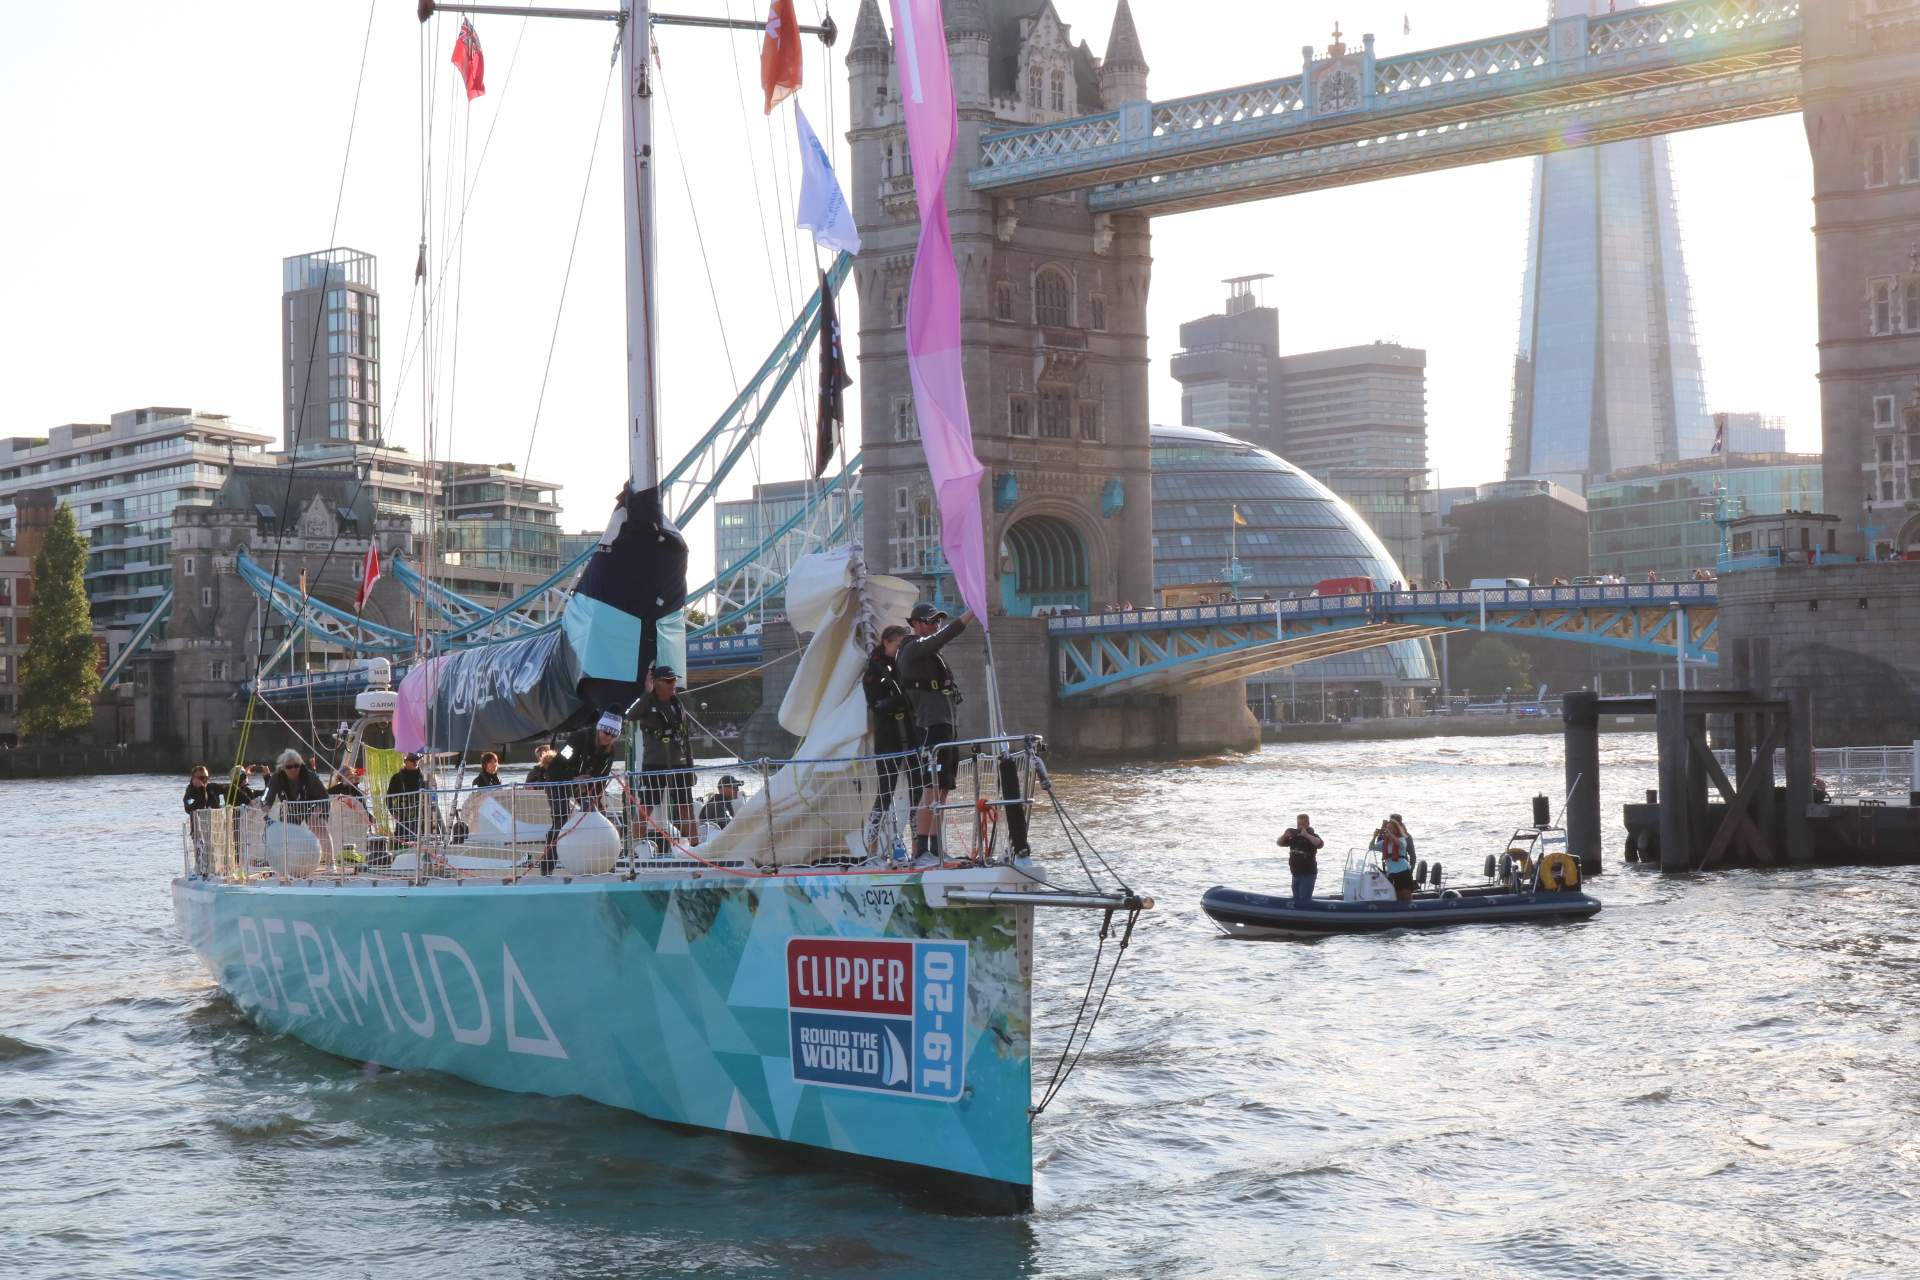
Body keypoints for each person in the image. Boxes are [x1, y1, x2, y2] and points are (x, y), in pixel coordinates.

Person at [897, 602, 975, 858]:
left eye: (938, 620)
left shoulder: (928, 651)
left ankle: (936, 848)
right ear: (915, 624)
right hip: (931, 726)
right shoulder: (911, 648)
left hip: (946, 723)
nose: (935, 625)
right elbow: (943, 637)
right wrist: (971, 613)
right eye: (930, 621)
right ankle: (921, 851)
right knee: (930, 787)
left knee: (943, 787)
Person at [862, 623, 923, 852]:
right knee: (884, 794)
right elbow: (877, 706)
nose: (901, 651)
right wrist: (904, 699)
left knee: (918, 791)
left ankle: (918, 846)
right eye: (898, 645)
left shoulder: (906, 666)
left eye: (904, 646)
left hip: (911, 737)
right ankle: (872, 846)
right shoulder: (873, 672)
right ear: (886, 643)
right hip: (888, 740)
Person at [545, 713, 625, 870]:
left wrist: (594, 797)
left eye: (613, 735)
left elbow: (602, 778)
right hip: (559, 779)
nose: (609, 738)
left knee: (600, 818)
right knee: (560, 819)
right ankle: (547, 867)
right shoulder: (578, 739)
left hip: (586, 783)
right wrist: (573, 779)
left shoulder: (609, 751)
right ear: (599, 729)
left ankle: (607, 865)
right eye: (606, 733)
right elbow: (555, 768)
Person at [633, 666, 698, 845]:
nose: (673, 684)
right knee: (645, 808)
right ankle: (634, 850)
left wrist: (690, 768)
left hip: (679, 764)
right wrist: (646, 693)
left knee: (686, 806)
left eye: (674, 681)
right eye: (669, 681)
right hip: (653, 764)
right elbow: (631, 714)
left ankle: (696, 848)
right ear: (657, 684)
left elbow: (686, 738)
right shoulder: (647, 703)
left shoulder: (678, 705)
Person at [1277, 813, 1323, 906]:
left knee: (1303, 901)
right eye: (1298, 824)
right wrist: (1285, 835)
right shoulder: (1294, 837)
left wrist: (1306, 835)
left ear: (1308, 824)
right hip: (1296, 874)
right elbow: (1279, 843)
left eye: (1302, 824)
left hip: (1307, 874)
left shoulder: (1312, 836)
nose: (1300, 827)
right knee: (1296, 899)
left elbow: (1320, 844)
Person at [386, 751, 430, 846]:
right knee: (401, 842)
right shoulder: (397, 778)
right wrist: (394, 814)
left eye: (417, 759)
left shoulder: (423, 777)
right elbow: (389, 798)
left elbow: (430, 796)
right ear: (405, 762)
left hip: (421, 816)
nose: (415, 762)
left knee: (422, 840)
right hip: (404, 817)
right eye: (412, 760)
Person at [1375, 817, 1415, 901]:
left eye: (1390, 828)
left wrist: (1390, 835)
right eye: (1387, 828)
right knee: (1396, 894)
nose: (1387, 830)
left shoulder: (1402, 839)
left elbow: (1401, 845)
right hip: (1392, 872)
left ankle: (1411, 911)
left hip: (1403, 870)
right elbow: (1372, 847)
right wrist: (1375, 836)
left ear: (1396, 830)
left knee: (1405, 893)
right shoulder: (1385, 842)